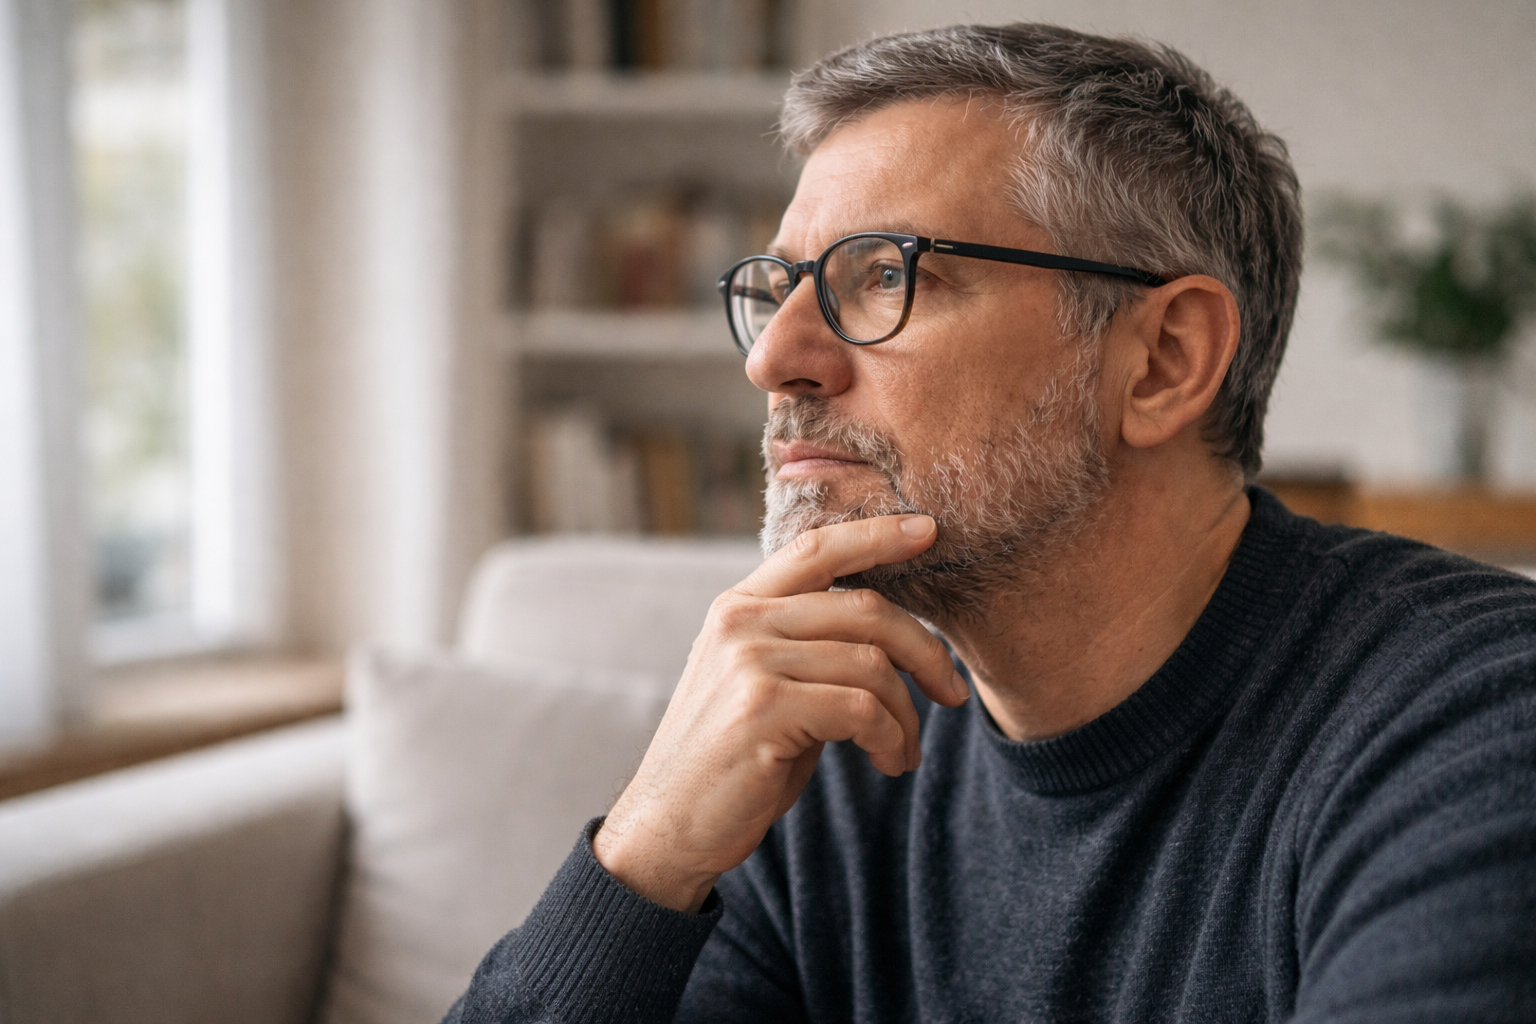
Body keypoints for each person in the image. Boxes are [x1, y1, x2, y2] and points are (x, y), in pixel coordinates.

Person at [445, 23, 1536, 1024]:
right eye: (776, 286)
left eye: (881, 276)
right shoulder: (821, 751)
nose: (772, 357)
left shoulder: (1474, 726)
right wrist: (643, 853)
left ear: (1162, 361)